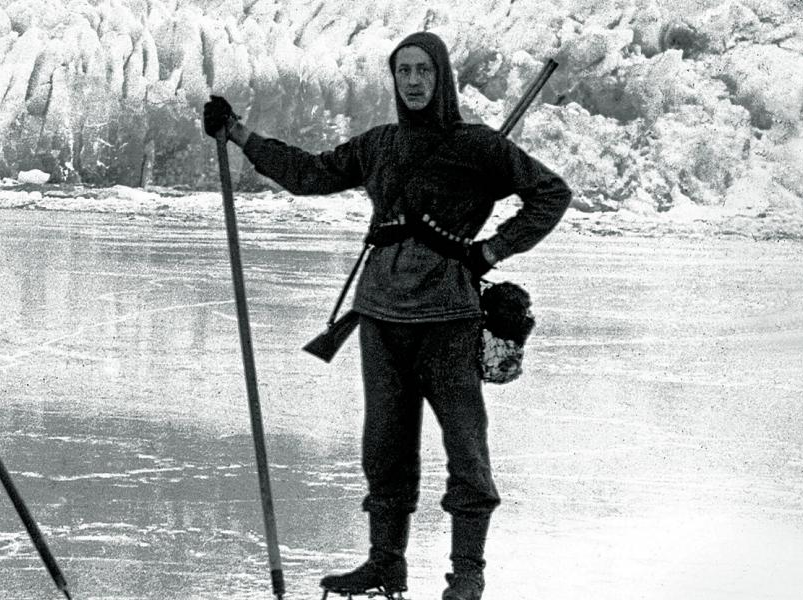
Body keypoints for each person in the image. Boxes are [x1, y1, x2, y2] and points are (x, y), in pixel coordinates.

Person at [203, 32, 571, 600]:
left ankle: (467, 576)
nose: (414, 81)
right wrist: (239, 134)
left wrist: (490, 251)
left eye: (424, 70)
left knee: (466, 449)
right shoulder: (380, 145)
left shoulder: (478, 147)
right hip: (379, 316)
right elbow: (309, 174)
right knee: (385, 447)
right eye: (403, 71)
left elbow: (551, 193)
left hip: (448, 319)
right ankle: (385, 564)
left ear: (441, 76)